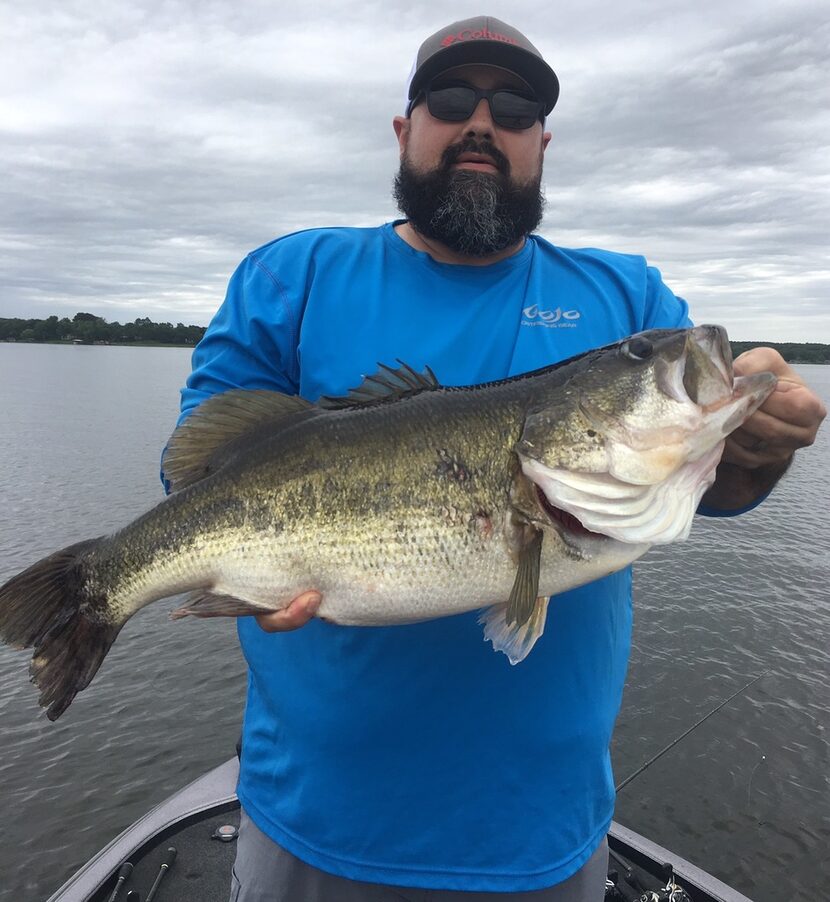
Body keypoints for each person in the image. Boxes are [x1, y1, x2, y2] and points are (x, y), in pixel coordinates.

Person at [171, 16, 826, 902]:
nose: (483, 121)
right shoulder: (294, 275)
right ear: (406, 129)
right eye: (451, 99)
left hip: (546, 831)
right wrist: (238, 574)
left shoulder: (630, 299)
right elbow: (197, 481)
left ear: (542, 144)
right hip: (317, 820)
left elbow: (721, 488)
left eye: (515, 107)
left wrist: (762, 444)